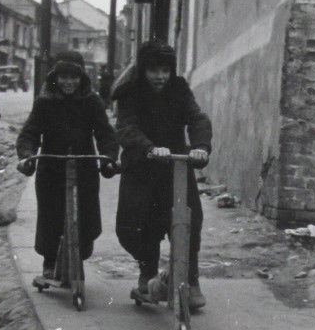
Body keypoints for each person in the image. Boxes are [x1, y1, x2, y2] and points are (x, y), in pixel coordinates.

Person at [111, 38, 212, 309]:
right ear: (144, 70)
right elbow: (126, 128)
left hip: (175, 167)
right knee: (138, 224)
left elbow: (197, 117)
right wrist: (150, 148)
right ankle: (148, 275)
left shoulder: (179, 89)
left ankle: (190, 281)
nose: (160, 76)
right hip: (142, 166)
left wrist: (200, 146)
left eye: (165, 70)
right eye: (154, 70)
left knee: (189, 221)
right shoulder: (130, 93)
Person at [16, 51, 119, 287]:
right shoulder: (44, 103)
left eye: (74, 77)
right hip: (52, 168)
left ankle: (78, 257)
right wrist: (27, 156)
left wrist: (109, 158)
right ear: (55, 77)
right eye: (63, 77)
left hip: (84, 168)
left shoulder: (92, 102)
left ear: (82, 78)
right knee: (51, 217)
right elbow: (29, 134)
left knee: (86, 217)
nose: (68, 82)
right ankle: (49, 263)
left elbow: (105, 134)